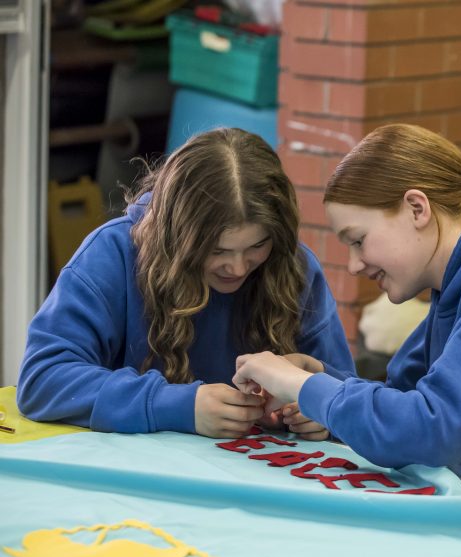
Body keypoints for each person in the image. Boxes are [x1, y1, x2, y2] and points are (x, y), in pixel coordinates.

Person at [231, 124, 461, 480]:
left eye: (358, 240)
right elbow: (402, 400)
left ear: (416, 209)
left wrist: (299, 385)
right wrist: (321, 384)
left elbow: (432, 430)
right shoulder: (460, 287)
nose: (354, 265)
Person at [17, 128, 355, 440]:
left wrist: (322, 408)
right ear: (175, 236)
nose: (237, 267)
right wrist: (176, 406)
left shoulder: (294, 266)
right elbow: (42, 380)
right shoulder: (113, 253)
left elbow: (352, 393)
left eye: (256, 246)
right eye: (217, 250)